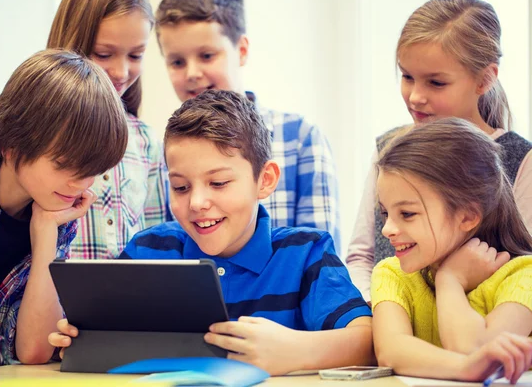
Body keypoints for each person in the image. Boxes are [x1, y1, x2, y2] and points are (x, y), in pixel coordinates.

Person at [48, 89, 373, 376]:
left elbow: (368, 340)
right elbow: (105, 341)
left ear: (265, 180)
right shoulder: (147, 251)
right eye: (180, 186)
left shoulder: (306, 253)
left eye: (218, 183)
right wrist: (81, 338)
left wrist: (298, 352)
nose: (198, 202)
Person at [0, 49, 128, 386]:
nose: (80, 184)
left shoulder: (56, 213)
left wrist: (47, 235)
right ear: (11, 142)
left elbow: (34, 351)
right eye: (65, 165)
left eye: (93, 171)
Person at [346, 0, 532, 301]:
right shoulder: (389, 149)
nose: (415, 96)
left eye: (436, 83)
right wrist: (376, 312)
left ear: (485, 79)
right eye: (407, 77)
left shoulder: (521, 159)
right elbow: (361, 256)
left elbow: (524, 266)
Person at [153, 0, 342, 253]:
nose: (192, 73)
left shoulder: (300, 138)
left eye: (207, 55)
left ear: (241, 50)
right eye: (177, 62)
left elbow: (320, 254)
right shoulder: (167, 150)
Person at [372, 118, 532, 382]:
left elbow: (477, 350)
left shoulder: (523, 276)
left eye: (407, 213)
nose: (387, 229)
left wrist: (450, 280)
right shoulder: (392, 273)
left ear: (468, 216)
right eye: (385, 212)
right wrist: (464, 368)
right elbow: (391, 350)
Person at [48, 0, 169, 259]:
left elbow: (157, 244)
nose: (121, 72)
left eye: (136, 55)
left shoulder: (146, 142)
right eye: (103, 54)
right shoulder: (39, 133)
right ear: (70, 44)